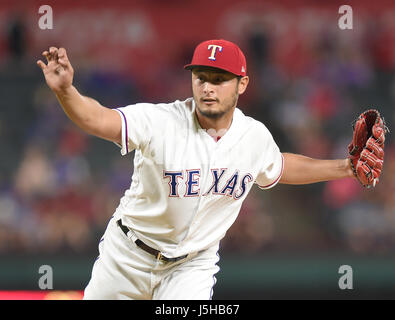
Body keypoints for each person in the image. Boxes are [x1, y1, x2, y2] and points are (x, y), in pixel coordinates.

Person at [37, 39, 358, 300]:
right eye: (201, 77)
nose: (208, 88)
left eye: (219, 80)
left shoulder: (254, 136)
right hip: (127, 256)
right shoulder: (160, 121)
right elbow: (97, 118)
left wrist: (345, 167)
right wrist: (66, 91)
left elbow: (280, 166)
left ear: (242, 84)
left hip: (190, 266)